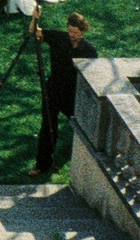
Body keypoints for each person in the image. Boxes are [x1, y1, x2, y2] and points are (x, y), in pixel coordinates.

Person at [28, 12, 98, 178]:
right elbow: (34, 31)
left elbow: (93, 75)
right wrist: (34, 17)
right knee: (48, 127)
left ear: (83, 30)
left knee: (81, 123)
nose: (72, 35)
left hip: (73, 93)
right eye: (70, 31)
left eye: (76, 32)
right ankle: (42, 165)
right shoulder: (59, 38)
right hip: (53, 90)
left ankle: (87, 159)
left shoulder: (89, 50)